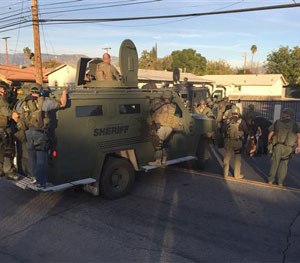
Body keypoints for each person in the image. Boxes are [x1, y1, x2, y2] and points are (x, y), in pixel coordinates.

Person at [16, 84, 67, 188]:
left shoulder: (22, 102)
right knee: (41, 158)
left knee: (31, 156)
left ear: (30, 91)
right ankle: (41, 182)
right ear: (40, 91)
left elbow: (15, 114)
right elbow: (62, 104)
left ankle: (33, 177)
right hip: (40, 133)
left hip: (27, 132)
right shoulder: (44, 102)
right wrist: (64, 92)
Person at [267, 108, 300, 187]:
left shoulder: (278, 122)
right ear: (291, 116)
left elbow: (271, 133)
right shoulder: (295, 125)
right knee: (284, 165)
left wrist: (269, 143)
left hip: (278, 146)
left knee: (274, 163)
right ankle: (280, 182)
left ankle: (270, 180)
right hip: (288, 148)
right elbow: (299, 136)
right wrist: (298, 146)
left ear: (285, 114)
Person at [148, 92, 182, 166]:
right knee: (165, 145)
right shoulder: (174, 107)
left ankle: (157, 161)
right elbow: (178, 117)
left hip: (161, 127)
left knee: (158, 145)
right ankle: (164, 160)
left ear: (164, 98)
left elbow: (151, 112)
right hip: (170, 128)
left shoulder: (159, 106)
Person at [223, 105, 248, 179]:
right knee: (237, 158)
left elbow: (223, 130)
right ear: (238, 112)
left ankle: (225, 174)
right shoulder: (241, 121)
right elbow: (246, 131)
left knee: (227, 157)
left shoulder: (227, 121)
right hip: (238, 142)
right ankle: (237, 175)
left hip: (228, 141)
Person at [0, 84, 19, 180]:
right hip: (3, 128)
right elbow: (6, 112)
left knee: (1, 150)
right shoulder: (2, 100)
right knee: (9, 149)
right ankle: (9, 171)